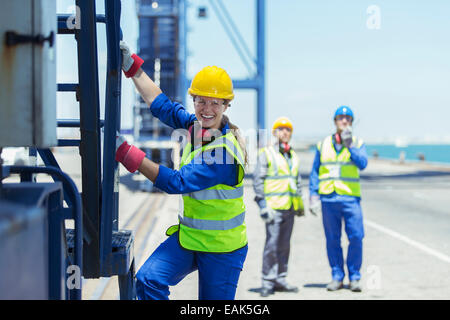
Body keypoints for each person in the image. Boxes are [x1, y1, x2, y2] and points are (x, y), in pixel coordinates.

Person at [116, 41, 248, 300]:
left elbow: (176, 182)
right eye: (200, 101)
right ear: (194, 100)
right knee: (148, 280)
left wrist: (128, 154)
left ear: (225, 106)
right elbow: (162, 105)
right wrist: (133, 68)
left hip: (222, 248)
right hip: (190, 238)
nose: (206, 109)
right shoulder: (195, 127)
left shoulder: (225, 155)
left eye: (214, 103)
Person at [309, 106, 368, 292]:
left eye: (348, 119)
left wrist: (350, 146)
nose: (344, 121)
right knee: (332, 239)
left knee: (356, 236)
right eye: (341, 118)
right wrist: (313, 195)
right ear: (335, 121)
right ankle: (337, 276)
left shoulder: (357, 142)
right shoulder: (323, 144)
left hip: (350, 199)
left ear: (351, 122)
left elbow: (363, 164)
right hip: (329, 199)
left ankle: (355, 277)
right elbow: (315, 171)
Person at [253, 117, 304, 297]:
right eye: (281, 129)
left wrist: (300, 204)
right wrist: (262, 204)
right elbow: (258, 180)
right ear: (275, 133)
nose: (284, 132)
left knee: (284, 245)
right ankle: (267, 280)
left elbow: (296, 181)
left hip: (289, 207)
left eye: (288, 130)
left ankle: (281, 278)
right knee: (272, 245)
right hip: (273, 208)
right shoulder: (267, 154)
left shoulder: (293, 155)